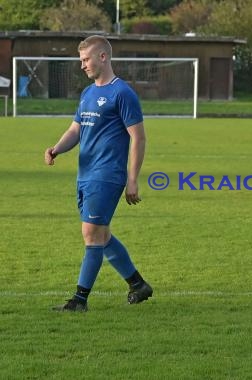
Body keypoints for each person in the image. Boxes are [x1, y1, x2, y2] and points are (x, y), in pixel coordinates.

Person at [44, 35, 153, 312]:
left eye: (86, 59)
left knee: (91, 233)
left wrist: (132, 178)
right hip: (85, 174)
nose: (82, 65)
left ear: (103, 57)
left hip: (107, 175)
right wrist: (56, 149)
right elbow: (75, 130)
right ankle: (138, 284)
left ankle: (79, 300)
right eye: (81, 60)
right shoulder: (88, 93)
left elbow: (138, 138)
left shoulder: (122, 93)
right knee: (101, 235)